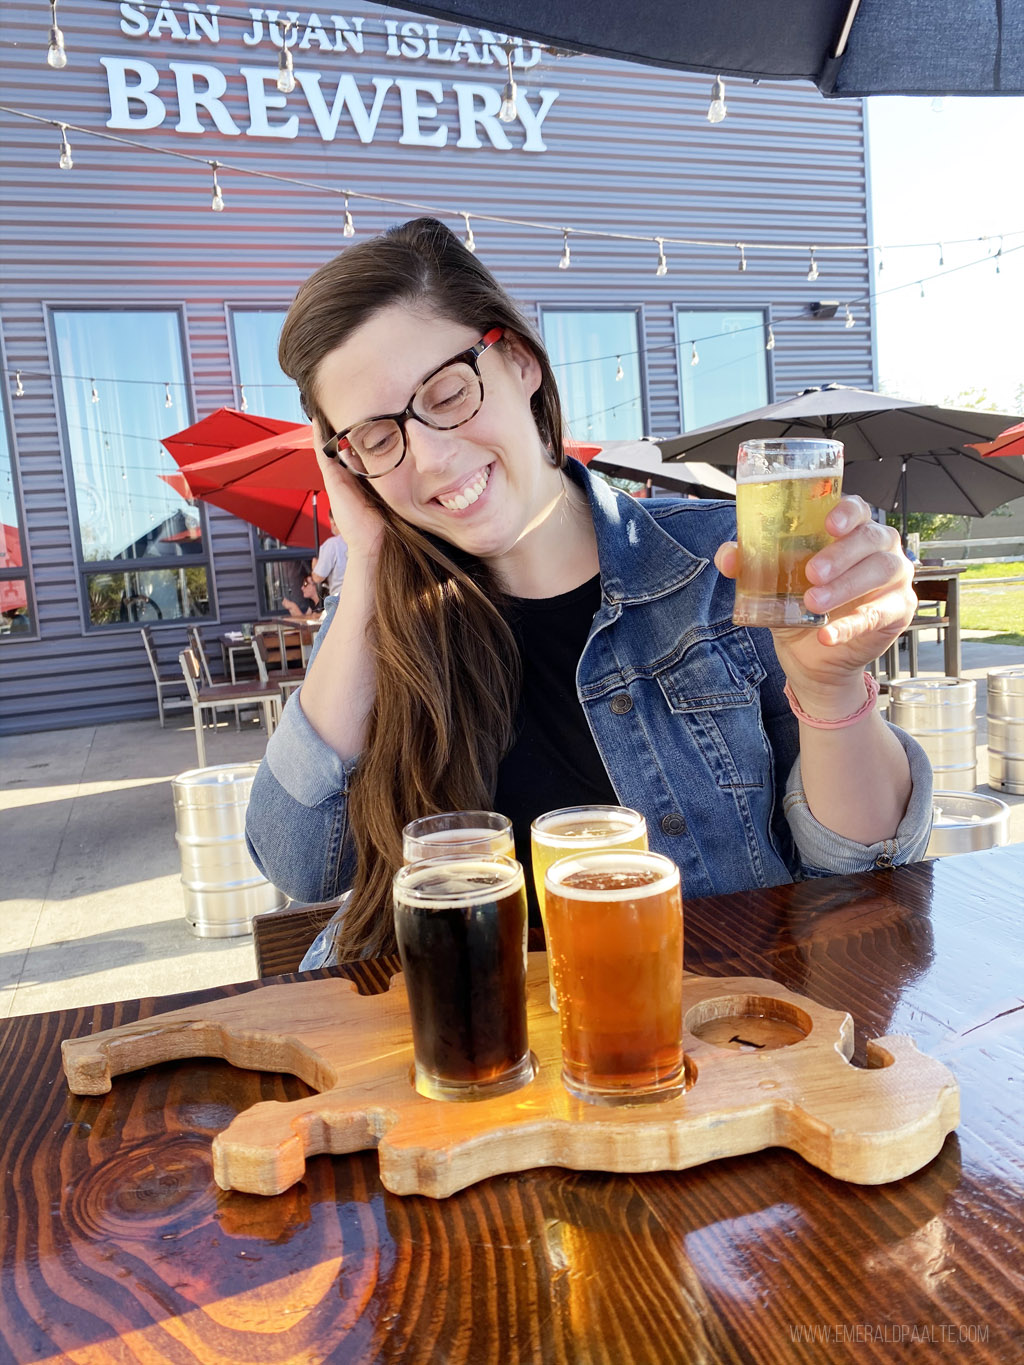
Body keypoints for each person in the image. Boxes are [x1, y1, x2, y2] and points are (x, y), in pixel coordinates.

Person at [245, 217, 931, 966]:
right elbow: (298, 859)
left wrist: (831, 689)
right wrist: (370, 557)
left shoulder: (727, 561)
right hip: (470, 1057)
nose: (433, 459)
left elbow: (861, 876)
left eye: (447, 394)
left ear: (519, 363)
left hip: (716, 1044)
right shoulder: (381, 624)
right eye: (378, 440)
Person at [311, 512, 348, 598]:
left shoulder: (332, 544)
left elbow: (318, 577)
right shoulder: (361, 542)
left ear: (334, 522)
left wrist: (314, 568)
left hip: (340, 598)